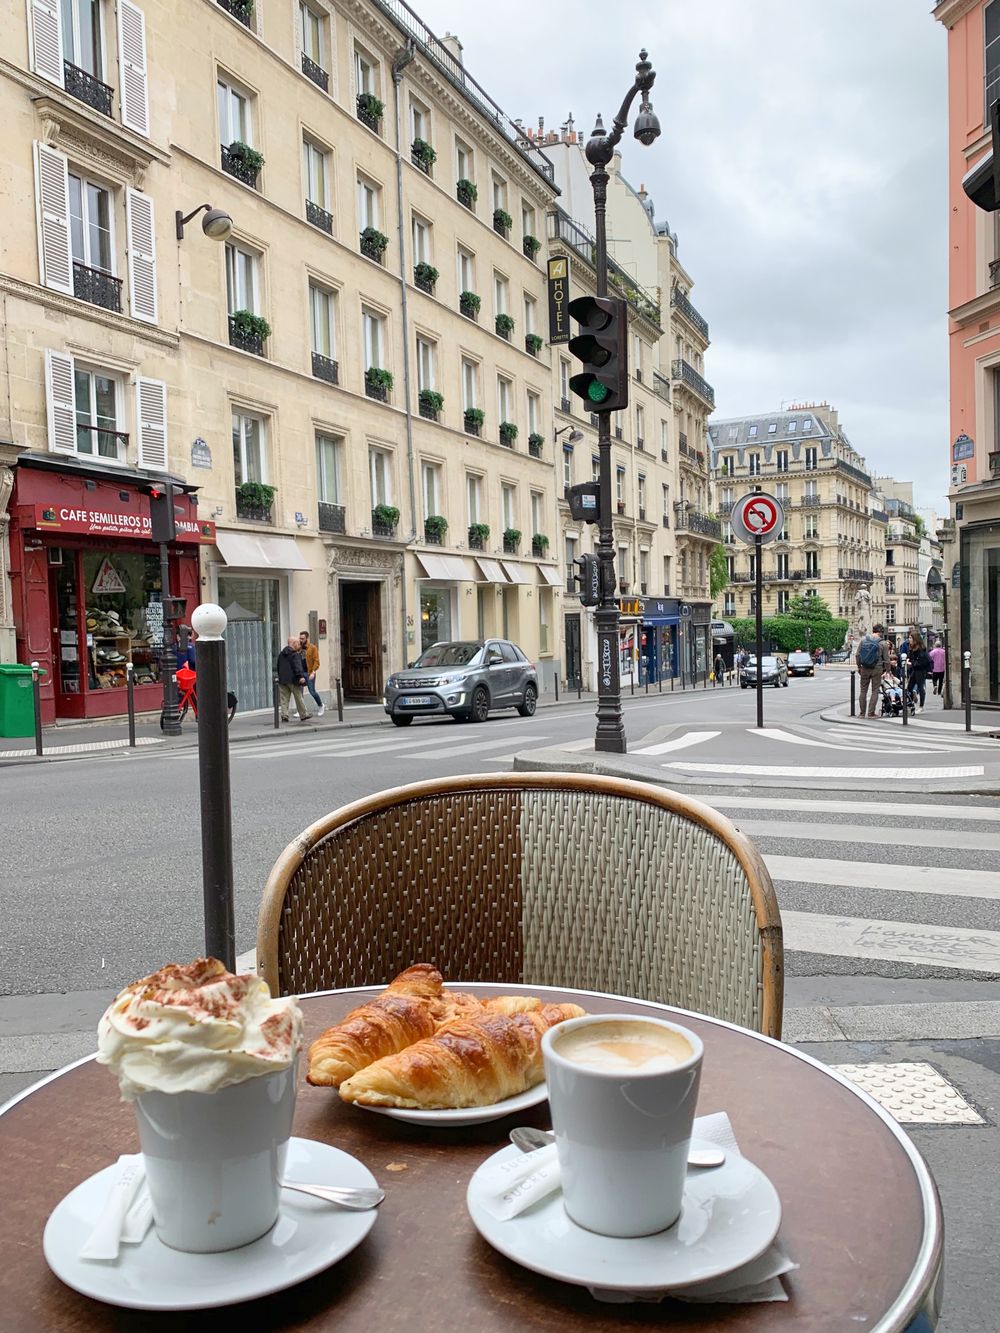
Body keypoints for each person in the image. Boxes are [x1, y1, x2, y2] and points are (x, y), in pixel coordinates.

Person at [855, 623, 891, 719]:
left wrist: (859, 666)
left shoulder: (863, 640)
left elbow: (857, 655)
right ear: (881, 632)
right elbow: (887, 659)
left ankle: (862, 713)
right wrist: (888, 671)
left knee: (863, 691)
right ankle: (871, 713)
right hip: (877, 668)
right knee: (875, 690)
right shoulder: (883, 643)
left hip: (865, 668)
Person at [276, 636, 309, 723]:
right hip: (293, 679)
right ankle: (304, 714)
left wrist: (280, 676)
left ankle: (284, 715)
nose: (299, 645)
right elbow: (297, 666)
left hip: (283, 680)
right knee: (298, 697)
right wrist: (301, 677)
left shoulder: (281, 654)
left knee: (284, 699)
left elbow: (278, 666)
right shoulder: (295, 654)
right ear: (293, 644)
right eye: (297, 643)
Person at [299, 630, 325, 716]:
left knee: (312, 691)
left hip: (309, 673)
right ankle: (301, 710)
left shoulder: (312, 648)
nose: (301, 640)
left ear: (307, 638)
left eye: (302, 638)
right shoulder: (298, 648)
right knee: (299, 692)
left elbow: (316, 661)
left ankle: (321, 705)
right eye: (300, 638)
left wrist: (313, 672)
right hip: (301, 673)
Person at [906, 630, 930, 713]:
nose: (909, 639)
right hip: (915, 669)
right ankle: (910, 704)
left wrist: (911, 663)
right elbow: (911, 658)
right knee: (909, 687)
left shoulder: (920, 649)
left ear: (915, 639)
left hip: (920, 670)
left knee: (920, 687)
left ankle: (921, 706)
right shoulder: (911, 647)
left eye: (910, 638)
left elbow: (922, 662)